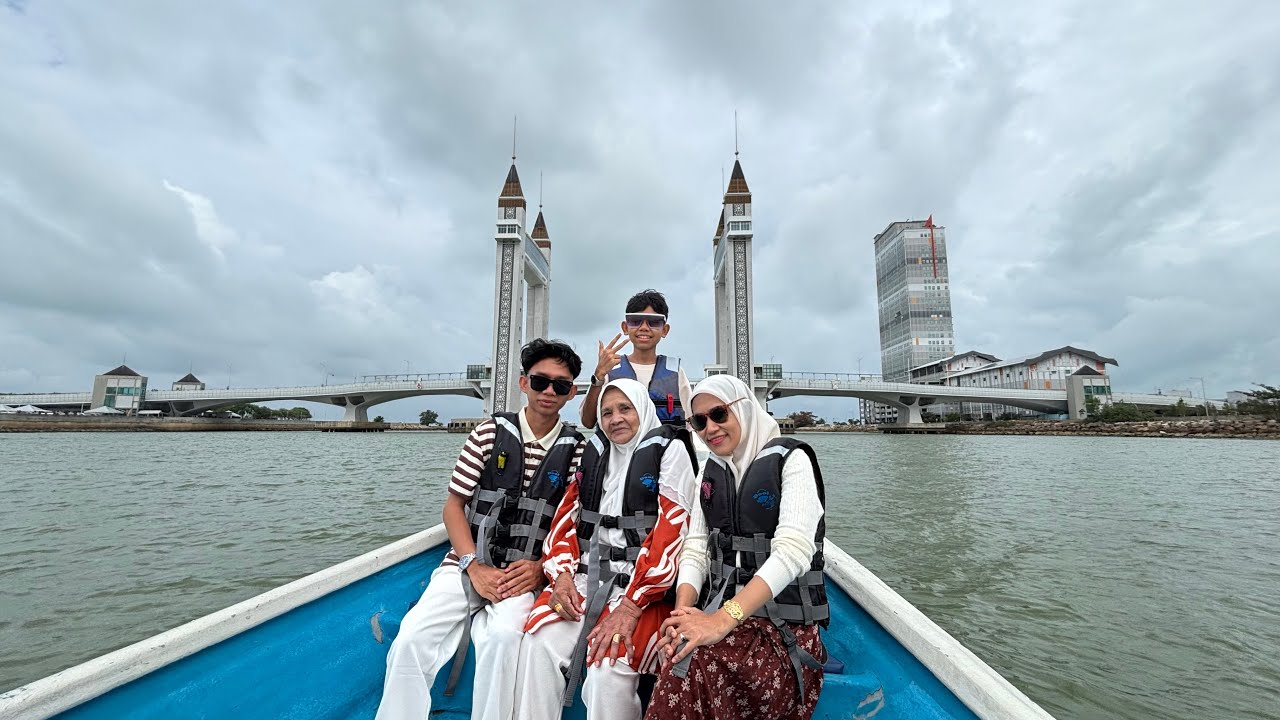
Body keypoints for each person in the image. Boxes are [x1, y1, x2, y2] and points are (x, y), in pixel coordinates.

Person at [375, 339, 586, 720]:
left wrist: (541, 569)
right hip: (466, 562)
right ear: (524, 384)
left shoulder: (577, 450)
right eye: (540, 382)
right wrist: (472, 565)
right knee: (412, 637)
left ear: (572, 393)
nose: (550, 391)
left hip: (525, 574)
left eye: (561, 385)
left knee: (505, 640)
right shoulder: (489, 433)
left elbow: (569, 524)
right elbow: (454, 506)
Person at [515, 378, 699, 720]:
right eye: (607, 412)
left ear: (642, 409)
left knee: (607, 667)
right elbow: (565, 520)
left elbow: (673, 532)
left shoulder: (669, 451)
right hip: (584, 580)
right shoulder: (594, 454)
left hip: (641, 592)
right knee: (538, 642)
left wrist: (630, 607)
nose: (615, 419)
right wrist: (562, 576)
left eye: (625, 409)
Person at [647, 375, 828, 720]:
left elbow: (792, 552)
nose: (709, 428)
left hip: (783, 630)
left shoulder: (792, 461)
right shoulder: (711, 472)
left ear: (743, 409)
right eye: (698, 421)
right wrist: (683, 615)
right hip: (724, 612)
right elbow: (697, 547)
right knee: (678, 647)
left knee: (692, 660)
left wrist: (720, 621)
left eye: (718, 414)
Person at [581, 289, 692, 428]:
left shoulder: (676, 373)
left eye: (654, 322)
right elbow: (587, 422)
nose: (644, 328)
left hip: (665, 448)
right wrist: (598, 376)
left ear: (665, 330)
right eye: (636, 321)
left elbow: (692, 422)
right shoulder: (609, 368)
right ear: (625, 327)